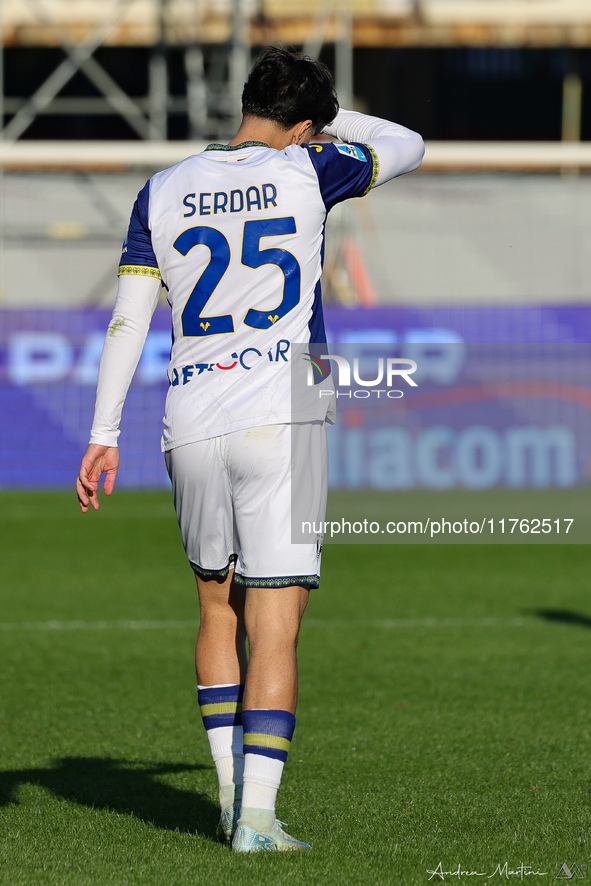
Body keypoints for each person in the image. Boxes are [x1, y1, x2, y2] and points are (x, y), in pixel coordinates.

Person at [76, 45, 424, 853]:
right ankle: (257, 822)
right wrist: (327, 127)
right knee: (275, 622)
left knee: (213, 607)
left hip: (190, 412)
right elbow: (408, 143)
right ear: (304, 124)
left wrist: (102, 436)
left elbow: (128, 321)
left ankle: (228, 799)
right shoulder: (313, 168)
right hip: (283, 412)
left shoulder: (161, 190)